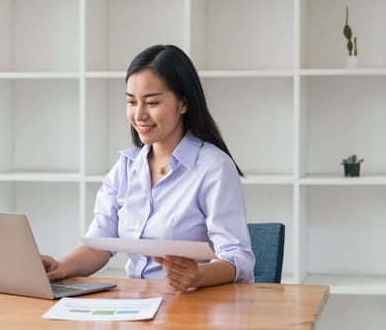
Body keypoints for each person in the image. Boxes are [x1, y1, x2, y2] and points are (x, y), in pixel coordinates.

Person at [42, 44, 254, 291]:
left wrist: (198, 275)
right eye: (132, 102)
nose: (139, 115)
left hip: (192, 305)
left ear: (183, 103)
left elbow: (238, 257)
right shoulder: (126, 166)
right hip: (136, 304)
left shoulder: (213, 167)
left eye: (152, 103)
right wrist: (61, 267)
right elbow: (99, 243)